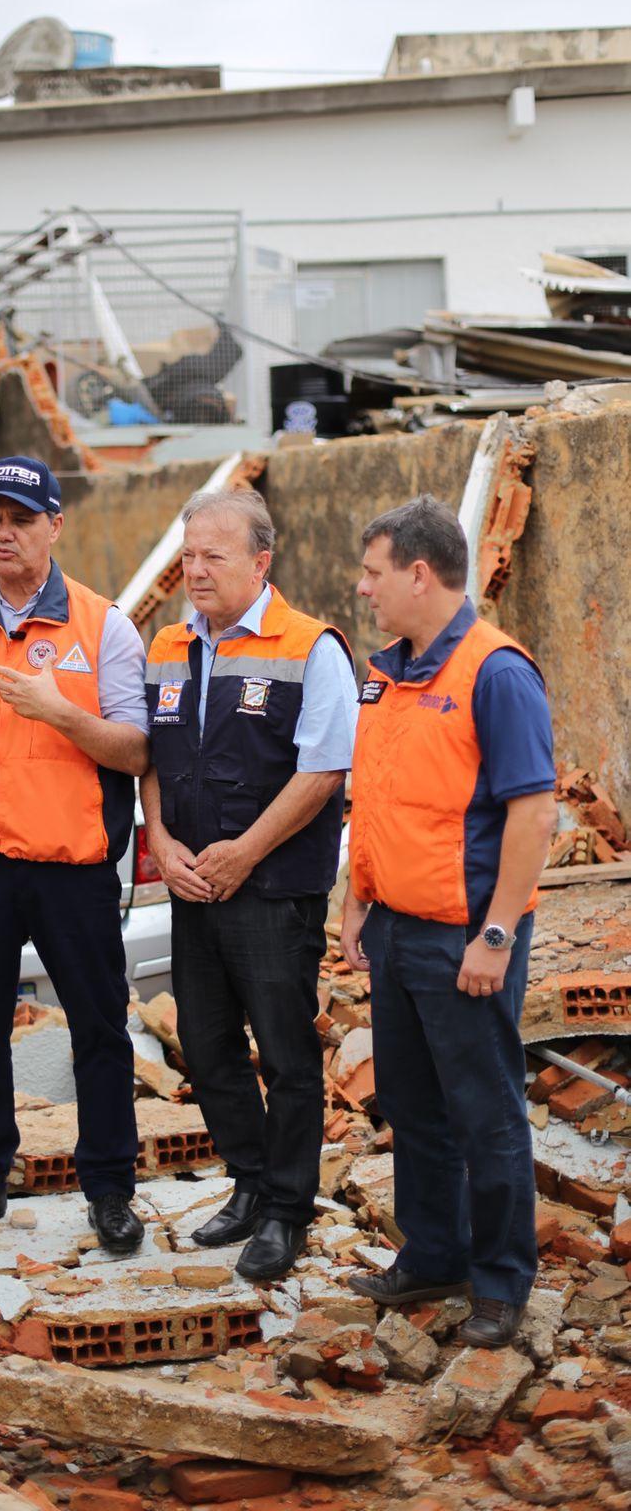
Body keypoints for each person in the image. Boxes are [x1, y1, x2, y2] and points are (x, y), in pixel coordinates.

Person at [0, 455, 150, 1254]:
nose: (3, 533)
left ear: (54, 526)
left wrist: (60, 714)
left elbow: (136, 748)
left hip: (71, 867)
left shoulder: (101, 623)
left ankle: (110, 1189)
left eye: (20, 519)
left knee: (99, 1031)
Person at [342, 495, 556, 1348]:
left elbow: (533, 816)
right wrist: (358, 898)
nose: (363, 589)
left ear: (419, 575)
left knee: (486, 1111)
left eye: (373, 572)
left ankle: (501, 1285)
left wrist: (496, 936)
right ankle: (434, 1255)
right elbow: (382, 794)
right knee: (412, 1104)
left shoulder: (496, 672)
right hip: (396, 928)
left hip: (466, 936)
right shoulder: (388, 672)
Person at [140, 488, 359, 1281]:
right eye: (188, 555)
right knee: (205, 1044)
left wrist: (245, 852)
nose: (194, 571)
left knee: (288, 1054)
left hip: (270, 890)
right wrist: (160, 840)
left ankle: (288, 1212)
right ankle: (250, 1182)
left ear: (261, 562)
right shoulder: (168, 645)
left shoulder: (311, 647)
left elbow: (324, 770)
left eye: (213, 557)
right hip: (194, 885)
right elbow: (154, 762)